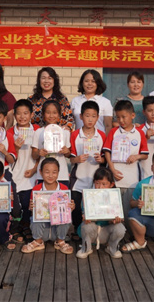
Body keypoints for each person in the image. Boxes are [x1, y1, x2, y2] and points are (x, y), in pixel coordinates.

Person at [103, 100, 148, 222]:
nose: (121, 120)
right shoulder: (114, 131)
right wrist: (112, 169)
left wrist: (136, 157)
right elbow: (107, 151)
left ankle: (128, 231)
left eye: (124, 117)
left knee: (128, 209)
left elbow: (145, 155)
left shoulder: (139, 133)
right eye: (118, 117)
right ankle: (116, 230)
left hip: (131, 179)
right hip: (115, 177)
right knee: (114, 210)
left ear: (132, 115)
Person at [21, 157, 75, 255]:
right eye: (47, 172)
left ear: (58, 172)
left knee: (66, 216)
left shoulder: (64, 189)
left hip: (57, 231)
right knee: (35, 216)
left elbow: (66, 210)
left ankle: (60, 241)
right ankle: (38, 241)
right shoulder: (36, 189)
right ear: (41, 172)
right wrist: (32, 208)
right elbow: (33, 211)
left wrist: (70, 207)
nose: (50, 175)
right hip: (43, 231)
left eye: (54, 172)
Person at [69, 101, 107, 235]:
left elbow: (105, 158)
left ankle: (91, 233)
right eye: (87, 116)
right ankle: (77, 232)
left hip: (95, 180)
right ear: (81, 117)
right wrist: (77, 159)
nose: (90, 119)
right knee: (76, 208)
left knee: (92, 208)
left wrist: (101, 159)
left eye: (93, 116)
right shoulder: (75, 135)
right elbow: (71, 158)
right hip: (78, 180)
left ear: (98, 117)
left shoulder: (101, 135)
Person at [7, 99, 40, 242]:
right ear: (14, 115)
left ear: (31, 114)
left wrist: (34, 168)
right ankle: (15, 228)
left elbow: (42, 154)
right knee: (16, 203)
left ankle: (26, 227)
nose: (22, 117)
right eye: (19, 114)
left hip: (31, 172)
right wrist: (16, 148)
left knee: (28, 202)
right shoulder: (9, 132)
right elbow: (8, 157)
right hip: (15, 172)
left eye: (25, 113)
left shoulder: (37, 130)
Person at [76, 167, 126, 259]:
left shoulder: (115, 197)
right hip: (93, 231)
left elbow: (116, 217)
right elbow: (85, 215)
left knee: (120, 228)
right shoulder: (87, 196)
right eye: (97, 183)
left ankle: (112, 248)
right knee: (86, 226)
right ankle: (86, 248)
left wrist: (115, 220)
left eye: (104, 184)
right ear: (94, 182)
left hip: (107, 231)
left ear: (111, 184)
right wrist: (86, 217)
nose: (100, 187)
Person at [32, 100, 72, 186]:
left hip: (61, 175)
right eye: (48, 112)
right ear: (43, 115)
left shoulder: (65, 132)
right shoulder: (38, 132)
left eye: (54, 113)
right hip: (43, 175)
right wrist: (39, 153)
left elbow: (68, 154)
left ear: (59, 115)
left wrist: (66, 151)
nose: (51, 116)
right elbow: (34, 155)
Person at [70, 69, 113, 134]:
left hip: (99, 139)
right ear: (82, 83)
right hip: (79, 138)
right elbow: (70, 123)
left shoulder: (105, 102)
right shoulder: (75, 101)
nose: (89, 84)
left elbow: (108, 125)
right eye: (86, 81)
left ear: (98, 83)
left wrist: (106, 140)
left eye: (93, 81)